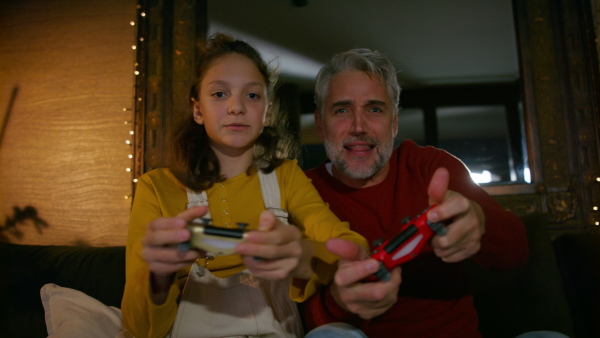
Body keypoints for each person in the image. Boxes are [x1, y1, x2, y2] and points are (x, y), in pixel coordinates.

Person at [120, 33, 368, 338]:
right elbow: (138, 328)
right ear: (197, 109)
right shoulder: (156, 187)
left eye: (252, 95)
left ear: (267, 112)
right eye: (220, 94)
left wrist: (301, 255)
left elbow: (351, 248)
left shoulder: (286, 176)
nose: (236, 107)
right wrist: (158, 277)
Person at [301, 48, 530, 337]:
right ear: (321, 124)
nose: (358, 127)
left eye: (374, 109)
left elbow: (516, 255)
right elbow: (301, 315)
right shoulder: (301, 191)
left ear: (394, 122)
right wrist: (339, 301)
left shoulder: (429, 167)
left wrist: (480, 222)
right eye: (342, 110)